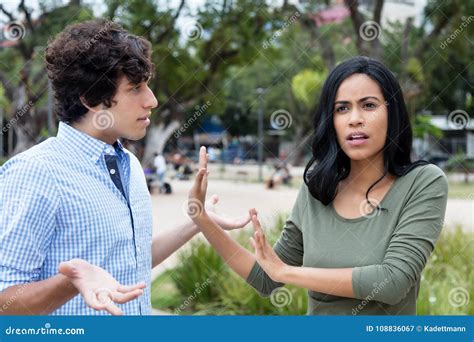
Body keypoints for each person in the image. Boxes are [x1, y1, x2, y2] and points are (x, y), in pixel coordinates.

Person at [0, 20, 249, 316]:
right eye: (135, 88)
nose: (152, 100)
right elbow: (6, 301)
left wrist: (197, 220)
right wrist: (71, 282)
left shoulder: (128, 163)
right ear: (91, 99)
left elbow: (132, 261)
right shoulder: (34, 173)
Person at [188, 56, 448, 315]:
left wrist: (287, 272)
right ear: (331, 120)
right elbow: (266, 278)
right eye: (342, 108)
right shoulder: (319, 185)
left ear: (393, 113)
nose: (354, 119)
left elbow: (393, 282)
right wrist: (200, 216)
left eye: (369, 105)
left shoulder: (423, 182)